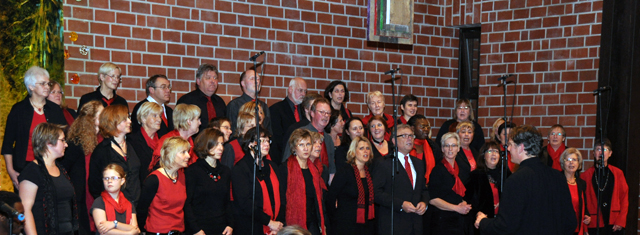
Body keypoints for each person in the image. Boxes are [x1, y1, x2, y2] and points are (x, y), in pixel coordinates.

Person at [474, 125, 576, 235]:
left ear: (521, 147)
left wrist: (483, 221)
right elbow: (571, 222)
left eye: (511, 145)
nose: (508, 149)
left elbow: (505, 226)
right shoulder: (558, 177)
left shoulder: (516, 180)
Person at [3, 66, 66, 188]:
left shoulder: (55, 110)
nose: (47, 87)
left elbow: (64, 139)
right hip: (24, 168)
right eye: (43, 84)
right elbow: (7, 144)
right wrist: (11, 171)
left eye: (48, 83)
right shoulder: (18, 110)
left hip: (51, 167)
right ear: (31, 87)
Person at [18, 123, 78, 235]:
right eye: (63, 140)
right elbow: (25, 209)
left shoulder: (61, 169)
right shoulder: (32, 171)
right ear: (49, 143)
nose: (66, 145)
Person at [372, 124, 429, 235]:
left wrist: (424, 203)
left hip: (415, 225)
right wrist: (401, 204)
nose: (409, 139)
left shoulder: (418, 163)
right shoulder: (384, 163)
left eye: (411, 136)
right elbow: (375, 193)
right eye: (404, 136)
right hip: (394, 224)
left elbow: (424, 190)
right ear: (394, 141)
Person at [231, 127, 285, 235]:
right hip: (251, 227)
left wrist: (277, 225)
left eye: (267, 141)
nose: (267, 144)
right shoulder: (240, 168)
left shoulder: (272, 166)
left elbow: (281, 196)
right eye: (261, 141)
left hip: (275, 227)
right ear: (250, 145)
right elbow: (245, 203)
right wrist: (269, 222)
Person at [61, 100, 104, 234]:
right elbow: (64, 169)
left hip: (95, 190)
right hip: (80, 196)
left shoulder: (103, 139)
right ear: (91, 118)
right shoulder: (75, 142)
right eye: (102, 114)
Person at [88, 104, 141, 205]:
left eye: (128, 117)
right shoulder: (102, 151)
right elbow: (94, 185)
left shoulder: (133, 145)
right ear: (113, 122)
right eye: (125, 119)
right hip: (114, 208)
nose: (130, 121)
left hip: (136, 206)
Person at [185, 128, 233, 235]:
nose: (221, 148)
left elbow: (227, 202)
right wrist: (196, 229)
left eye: (222, 144)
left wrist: (230, 224)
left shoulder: (225, 171)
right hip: (199, 228)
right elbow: (187, 204)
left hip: (222, 228)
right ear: (206, 144)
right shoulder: (193, 171)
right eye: (216, 144)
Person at [137, 137, 190, 234]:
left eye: (187, 152)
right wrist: (143, 231)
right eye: (183, 152)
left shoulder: (182, 176)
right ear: (171, 154)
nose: (188, 156)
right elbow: (142, 209)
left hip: (179, 231)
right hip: (157, 231)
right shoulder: (153, 180)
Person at [281, 129, 327, 235]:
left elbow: (318, 200)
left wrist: (322, 222)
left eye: (308, 144)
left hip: (313, 222)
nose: (306, 148)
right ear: (294, 148)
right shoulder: (285, 168)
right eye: (301, 145)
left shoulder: (314, 170)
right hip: (293, 224)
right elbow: (282, 200)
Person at [327, 136, 376, 235]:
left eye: (367, 148)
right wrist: (335, 219)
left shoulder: (369, 173)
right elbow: (330, 199)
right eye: (361, 148)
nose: (365, 151)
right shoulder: (345, 171)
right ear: (353, 152)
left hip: (364, 226)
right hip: (344, 225)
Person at [282, 98, 336, 185]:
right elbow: (287, 162)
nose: (325, 115)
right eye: (322, 112)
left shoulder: (328, 139)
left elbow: (331, 171)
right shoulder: (300, 133)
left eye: (328, 113)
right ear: (312, 113)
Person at [581, 139, 628, 235]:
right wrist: (585, 227)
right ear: (594, 153)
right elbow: (583, 204)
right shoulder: (585, 176)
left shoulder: (618, 173)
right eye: (598, 149)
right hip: (593, 224)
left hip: (614, 223)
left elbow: (624, 198)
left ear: (610, 153)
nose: (601, 152)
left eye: (605, 149)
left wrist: (621, 220)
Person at [427, 132, 470, 235]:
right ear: (442, 149)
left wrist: (463, 202)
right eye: (447, 146)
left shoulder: (462, 169)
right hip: (442, 221)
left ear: (458, 148)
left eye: (454, 145)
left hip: (458, 221)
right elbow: (432, 199)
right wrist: (457, 208)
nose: (450, 149)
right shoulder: (437, 170)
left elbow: (461, 194)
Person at [463, 141, 510, 235]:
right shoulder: (475, 176)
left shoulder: (506, 175)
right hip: (483, 222)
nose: (493, 154)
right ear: (483, 155)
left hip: (503, 222)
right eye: (490, 151)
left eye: (496, 151)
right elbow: (469, 201)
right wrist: (477, 213)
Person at [148, 103, 201, 171]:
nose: (200, 123)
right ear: (189, 121)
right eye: (198, 119)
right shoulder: (168, 141)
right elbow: (159, 167)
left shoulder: (191, 141)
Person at [91, 164, 140, 235]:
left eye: (113, 178)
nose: (109, 181)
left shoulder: (129, 204)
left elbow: (135, 229)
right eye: (106, 178)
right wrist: (128, 233)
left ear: (122, 181)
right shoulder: (99, 202)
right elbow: (103, 232)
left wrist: (115, 224)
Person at [176, 64, 226, 132]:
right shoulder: (187, 101)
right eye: (208, 78)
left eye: (215, 78)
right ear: (198, 81)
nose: (212, 81)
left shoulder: (220, 102)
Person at [271, 77, 308, 162]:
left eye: (305, 91)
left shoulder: (306, 111)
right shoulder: (276, 109)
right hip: (283, 159)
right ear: (290, 90)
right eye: (300, 90)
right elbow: (277, 140)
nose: (303, 94)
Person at [128, 102, 163, 183]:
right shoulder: (132, 141)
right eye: (154, 116)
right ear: (143, 119)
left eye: (160, 116)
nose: (159, 119)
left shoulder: (163, 141)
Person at [560, 148, 589, 235]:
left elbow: (583, 206)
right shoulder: (557, 181)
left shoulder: (581, 183)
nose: (571, 162)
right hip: (561, 229)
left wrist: (587, 217)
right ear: (563, 163)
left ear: (578, 163)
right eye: (568, 160)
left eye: (574, 160)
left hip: (577, 229)